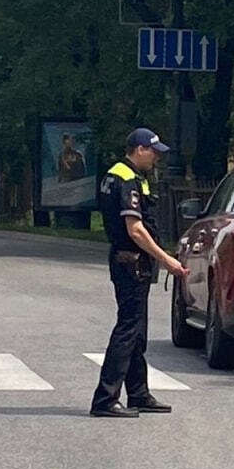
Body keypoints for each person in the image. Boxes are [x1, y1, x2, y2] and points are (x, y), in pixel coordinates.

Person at [90, 128, 189, 418]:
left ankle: (138, 393)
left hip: (130, 262)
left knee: (137, 332)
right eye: (154, 151)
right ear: (140, 149)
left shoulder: (118, 175)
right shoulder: (126, 179)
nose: (156, 157)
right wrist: (166, 259)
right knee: (128, 330)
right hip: (131, 262)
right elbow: (135, 229)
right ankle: (105, 399)